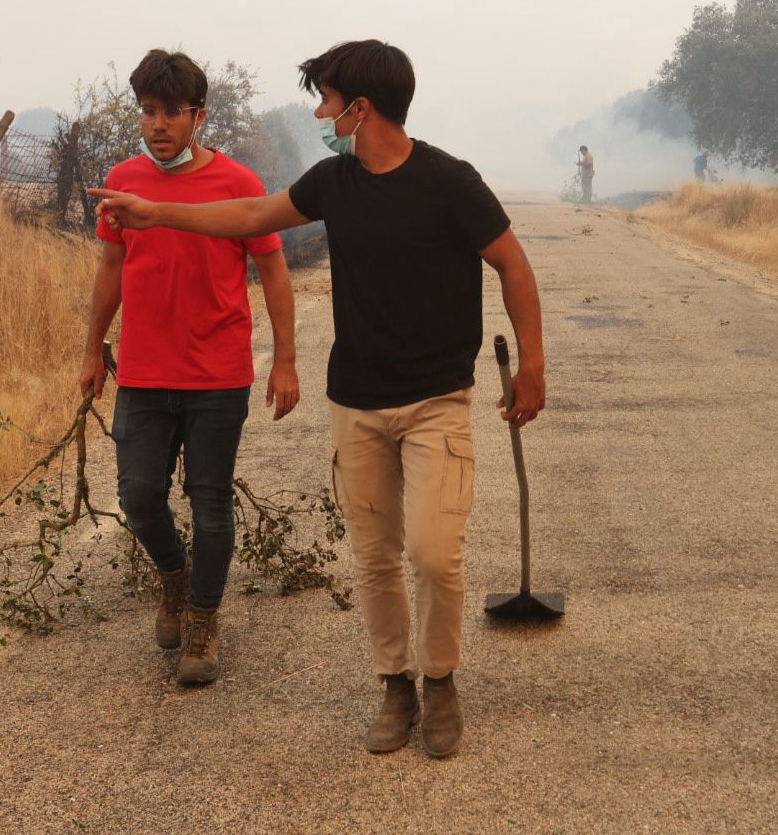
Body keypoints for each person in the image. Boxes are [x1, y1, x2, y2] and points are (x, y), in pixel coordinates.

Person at [91, 40, 546, 760]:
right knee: (375, 557)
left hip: (437, 402)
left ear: (360, 108)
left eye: (327, 99)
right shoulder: (335, 182)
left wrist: (534, 367)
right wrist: (157, 214)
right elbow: (250, 217)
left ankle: (441, 680)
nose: (319, 111)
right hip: (356, 403)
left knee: (433, 553)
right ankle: (395, 686)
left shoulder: (451, 182)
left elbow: (513, 266)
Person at [77, 48, 300, 687]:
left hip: (217, 372)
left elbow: (274, 271)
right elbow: (111, 270)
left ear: (198, 116)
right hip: (144, 372)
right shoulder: (123, 182)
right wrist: (93, 349)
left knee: (209, 502)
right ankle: (173, 578)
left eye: (172, 112)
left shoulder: (239, 185)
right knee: (139, 496)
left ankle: (203, 618)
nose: (158, 125)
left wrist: (285, 359)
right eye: (148, 111)